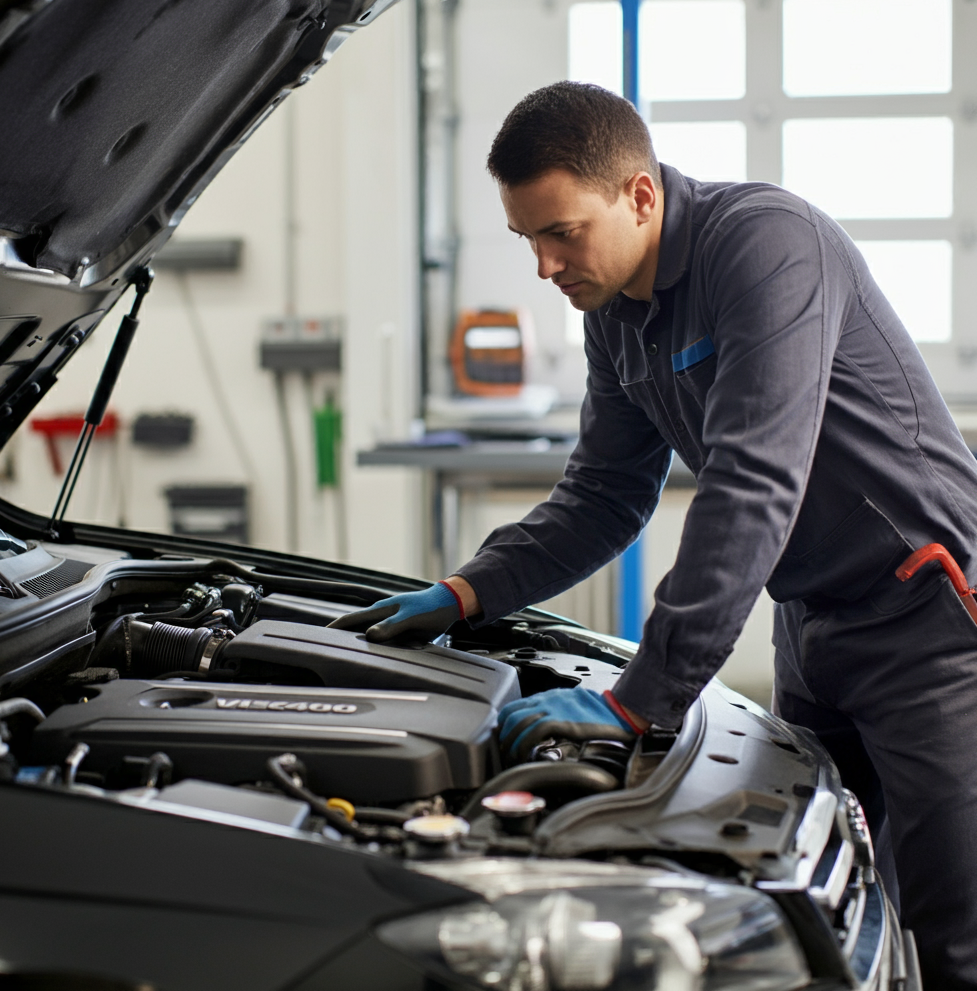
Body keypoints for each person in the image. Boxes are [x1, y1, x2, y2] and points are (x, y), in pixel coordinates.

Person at [332, 81, 977, 988]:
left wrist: (644, 698)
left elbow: (755, 481)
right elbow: (602, 494)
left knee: (955, 932)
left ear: (640, 194)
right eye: (529, 240)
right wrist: (468, 591)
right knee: (828, 910)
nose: (546, 268)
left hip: (927, 618)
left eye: (562, 232)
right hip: (811, 625)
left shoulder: (765, 244)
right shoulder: (616, 319)